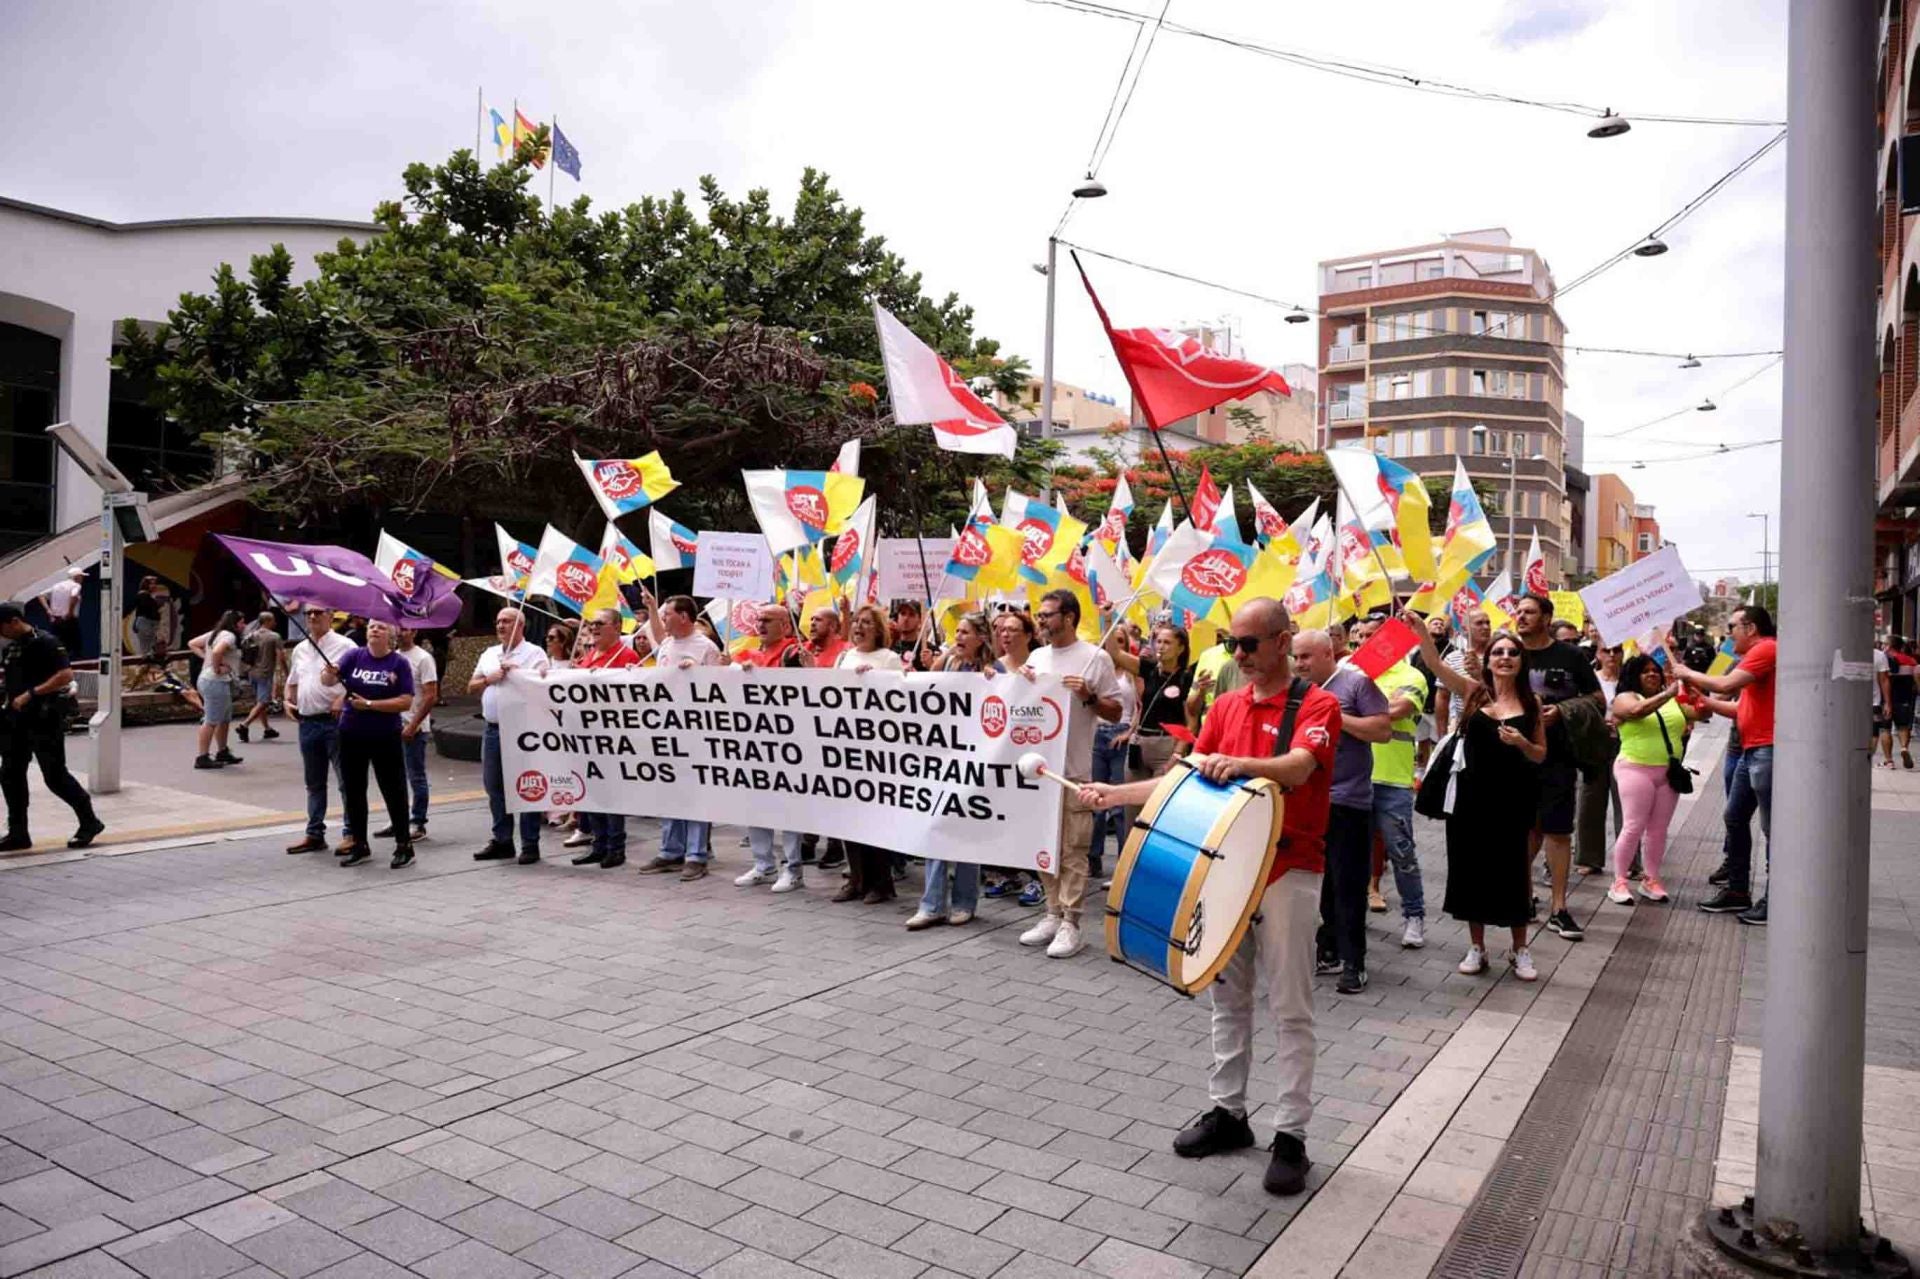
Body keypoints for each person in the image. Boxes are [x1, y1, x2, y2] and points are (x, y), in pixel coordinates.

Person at [1078, 598, 1340, 1197]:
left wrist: (1238, 764)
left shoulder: (1316, 703)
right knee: (1227, 997)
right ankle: (1229, 1112)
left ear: (1283, 641)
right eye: (1231, 644)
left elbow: (1299, 768)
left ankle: (1292, 1136)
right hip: (1225, 872)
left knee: (1291, 1009)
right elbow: (1186, 780)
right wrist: (1113, 796)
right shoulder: (1225, 705)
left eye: (1249, 644)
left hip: (1289, 871)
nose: (1238, 654)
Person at [1415, 621, 1547, 981]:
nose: (1505, 657)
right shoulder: (1473, 692)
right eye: (1498, 652)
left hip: (1512, 800)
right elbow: (1434, 664)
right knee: (1470, 870)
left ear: (1522, 661)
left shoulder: (1531, 703)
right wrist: (1422, 632)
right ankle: (1477, 947)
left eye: (1513, 652)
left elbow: (1540, 754)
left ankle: (1520, 948)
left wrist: (1521, 743)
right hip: (1470, 798)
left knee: (1514, 872)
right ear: (1487, 660)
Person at [1019, 589, 1124, 959]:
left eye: (1047, 615)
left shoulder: (1095, 658)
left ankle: (1071, 922)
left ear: (1069, 617)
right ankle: (1052, 912)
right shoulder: (1036, 656)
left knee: (1073, 848)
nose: (1041, 621)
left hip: (1074, 769)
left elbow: (1116, 712)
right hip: (1039, 770)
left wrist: (1089, 696)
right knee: (1043, 844)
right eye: (1040, 615)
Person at [1291, 628, 1388, 994]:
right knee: (1319, 884)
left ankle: (1354, 962)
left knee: (1348, 884)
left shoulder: (1356, 684)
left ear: (1328, 654)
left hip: (1348, 800)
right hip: (1306, 799)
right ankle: (1327, 948)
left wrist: (1335, 716)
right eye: (1296, 657)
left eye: (1306, 656)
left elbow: (1381, 730)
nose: (1300, 663)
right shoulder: (1296, 690)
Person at [1668, 605, 1776, 924]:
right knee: (1734, 816)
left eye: (1732, 627)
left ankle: (1776, 899)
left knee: (1773, 828)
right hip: (1752, 750)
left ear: (1751, 628)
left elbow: (1727, 686)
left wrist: (1687, 673)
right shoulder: (1756, 655)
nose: (1729, 634)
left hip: (1767, 750)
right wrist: (1703, 700)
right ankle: (1738, 890)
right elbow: (1740, 708)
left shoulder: (1766, 649)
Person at [1511, 593, 1603, 941]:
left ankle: (1559, 908)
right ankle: (1522, 898)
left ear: (1546, 618)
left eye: (1529, 612)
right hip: (1515, 757)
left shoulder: (1570, 655)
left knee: (1558, 832)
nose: (1521, 617)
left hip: (1558, 757)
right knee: (1523, 830)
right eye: (1518, 611)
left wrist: (1561, 712)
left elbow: (1598, 699)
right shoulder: (1508, 652)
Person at [633, 594, 725, 880]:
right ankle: (670, 851)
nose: (663, 620)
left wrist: (698, 676)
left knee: (695, 792)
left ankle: (696, 855)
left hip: (696, 733)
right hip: (666, 729)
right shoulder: (666, 645)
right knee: (669, 790)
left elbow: (720, 689)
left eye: (667, 614)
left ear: (684, 617)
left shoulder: (706, 647)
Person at [910, 612, 993, 929]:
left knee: (966, 832)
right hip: (942, 757)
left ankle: (964, 902)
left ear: (981, 638)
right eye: (956, 631)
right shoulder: (948, 663)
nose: (958, 637)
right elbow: (924, 687)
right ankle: (931, 904)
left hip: (974, 760)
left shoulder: (993, 670)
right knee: (934, 827)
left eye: (965, 632)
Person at [1351, 614, 1429, 950]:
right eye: (1362, 635)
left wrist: (1351, 707)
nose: (1367, 641)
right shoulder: (1349, 671)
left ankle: (1414, 915)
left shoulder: (1412, 675)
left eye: (1375, 634)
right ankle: (1351, 916)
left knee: (1401, 852)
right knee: (1352, 852)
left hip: (1393, 780)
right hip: (1353, 778)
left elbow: (1398, 710)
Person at [0, 603, 102, 851]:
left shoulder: (46, 642)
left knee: (55, 776)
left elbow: (65, 675)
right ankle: (18, 833)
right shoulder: (12, 647)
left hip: (44, 717)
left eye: (1, 627)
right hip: (15, 720)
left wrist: (31, 693)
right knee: (10, 775)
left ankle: (89, 821)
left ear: (14, 621)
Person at [1606, 655, 1708, 906]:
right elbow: (1636, 711)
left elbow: (1700, 713)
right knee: (1633, 826)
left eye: (1655, 670)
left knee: (1658, 829)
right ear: (1634, 675)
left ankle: (1651, 879)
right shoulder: (1625, 698)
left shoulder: (1672, 700)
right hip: (1635, 769)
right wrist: (1668, 693)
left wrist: (1697, 692)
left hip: (1667, 772)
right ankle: (1619, 881)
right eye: (1645, 671)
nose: (1652, 674)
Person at [827, 606, 908, 905]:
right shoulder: (844, 657)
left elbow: (899, 697)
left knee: (874, 819)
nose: (859, 627)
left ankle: (880, 882)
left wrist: (875, 681)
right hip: (846, 744)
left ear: (879, 629)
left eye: (867, 623)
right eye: (857, 622)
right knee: (849, 818)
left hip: (875, 748)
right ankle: (856, 879)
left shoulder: (888, 658)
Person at [320, 620, 415, 867]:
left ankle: (404, 844)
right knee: (353, 790)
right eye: (372, 626)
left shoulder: (398, 663)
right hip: (351, 734)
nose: (374, 630)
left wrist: (371, 705)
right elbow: (328, 681)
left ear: (390, 635)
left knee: (393, 790)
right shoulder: (353, 656)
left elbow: (405, 701)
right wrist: (329, 672)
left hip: (385, 735)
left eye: (381, 627)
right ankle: (360, 844)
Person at [735, 604, 809, 892]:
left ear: (786, 626)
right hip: (752, 740)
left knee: (787, 806)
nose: (760, 624)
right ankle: (763, 864)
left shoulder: (793, 653)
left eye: (768, 620)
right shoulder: (747, 654)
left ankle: (793, 868)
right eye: (758, 619)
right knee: (755, 804)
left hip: (785, 741)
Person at [470, 607, 551, 864]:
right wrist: (489, 678)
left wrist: (517, 675)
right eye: (498, 621)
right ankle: (502, 840)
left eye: (506, 621)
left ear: (521, 625)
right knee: (494, 786)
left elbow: (543, 687)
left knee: (528, 786)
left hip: (523, 731)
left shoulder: (535, 653)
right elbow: (471, 686)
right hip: (493, 729)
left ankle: (530, 844)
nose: (500, 626)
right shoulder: (489, 654)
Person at [569, 607, 640, 869]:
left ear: (617, 627)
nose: (594, 627)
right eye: (591, 623)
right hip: (586, 735)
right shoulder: (589, 656)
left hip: (611, 737)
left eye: (600, 623)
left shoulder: (626, 656)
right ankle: (598, 844)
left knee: (611, 794)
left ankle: (616, 847)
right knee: (592, 793)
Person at [282, 604, 355, 855]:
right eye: (308, 613)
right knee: (314, 782)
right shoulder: (301, 649)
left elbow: (358, 681)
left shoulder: (346, 646)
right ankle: (314, 833)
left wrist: (343, 699)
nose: (312, 616)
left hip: (336, 722)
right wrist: (287, 700)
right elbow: (293, 681)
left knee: (346, 780)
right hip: (307, 722)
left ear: (331, 615)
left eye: (318, 612)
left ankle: (351, 833)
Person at [987, 608, 1046, 908]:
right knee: (1003, 814)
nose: (1005, 635)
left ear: (1028, 635)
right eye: (1001, 630)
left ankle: (1038, 877)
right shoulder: (994, 668)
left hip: (1032, 751)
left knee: (1030, 816)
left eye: (1012, 629)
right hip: (1002, 752)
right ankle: (1007, 872)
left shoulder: (1041, 665)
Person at [1088, 627, 1140, 884]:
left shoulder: (1131, 674)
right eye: (1112, 640)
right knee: (1095, 801)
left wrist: (1129, 732)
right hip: (1097, 734)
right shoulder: (1095, 669)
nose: (1114, 646)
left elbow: (1142, 707)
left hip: (1121, 735)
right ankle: (1093, 859)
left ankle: (1122, 863)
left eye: (1120, 641)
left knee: (1119, 805)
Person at [1574, 644, 1625, 876]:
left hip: (1625, 745)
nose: (1612, 655)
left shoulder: (1629, 680)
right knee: (1590, 802)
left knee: (1626, 804)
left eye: (1617, 650)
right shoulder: (1590, 680)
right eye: (1606, 651)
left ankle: (1630, 862)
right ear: (1598, 653)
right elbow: (1577, 709)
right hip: (1594, 746)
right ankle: (1589, 858)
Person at [386, 627, 437, 844]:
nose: (400, 633)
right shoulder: (392, 657)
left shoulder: (423, 658)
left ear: (414, 632)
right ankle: (398, 820)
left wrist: (414, 723)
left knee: (416, 776)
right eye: (397, 628)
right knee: (393, 777)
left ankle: (418, 822)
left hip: (414, 728)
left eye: (405, 629)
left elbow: (430, 695)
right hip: (391, 726)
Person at [188, 610, 246, 770]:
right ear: (235, 624)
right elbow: (217, 651)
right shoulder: (229, 636)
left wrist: (205, 658)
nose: (244, 625)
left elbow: (192, 643)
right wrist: (216, 668)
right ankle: (202, 756)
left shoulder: (215, 633)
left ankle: (222, 751)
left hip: (210, 679)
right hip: (215, 681)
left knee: (224, 718)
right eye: (242, 622)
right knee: (211, 719)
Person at [235, 612, 283, 745]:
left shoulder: (251, 636)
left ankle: (267, 729)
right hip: (265, 673)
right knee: (264, 702)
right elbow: (281, 657)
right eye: (273, 620)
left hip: (252, 672)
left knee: (259, 702)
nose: (275, 622)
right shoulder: (274, 636)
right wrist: (285, 671)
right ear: (267, 621)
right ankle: (244, 725)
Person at [40, 565, 85, 656]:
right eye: (81, 576)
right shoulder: (76, 586)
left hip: (56, 619)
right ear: (77, 577)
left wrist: (48, 610)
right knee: (75, 645)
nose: (82, 579)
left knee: (58, 645)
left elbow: (41, 595)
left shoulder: (57, 585)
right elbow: (74, 596)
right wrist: (70, 612)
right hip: (69, 619)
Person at [1888, 637, 1917, 768]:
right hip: (1905, 699)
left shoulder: (1886, 660)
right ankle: (1904, 747)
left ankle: (1889, 760)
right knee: (1904, 726)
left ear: (1889, 646)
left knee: (1885, 730)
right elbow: (1917, 678)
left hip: (1887, 699)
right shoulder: (1911, 661)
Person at [129, 577, 164, 659]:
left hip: (148, 624)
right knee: (147, 650)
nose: (154, 586)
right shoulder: (143, 596)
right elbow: (146, 611)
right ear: (146, 585)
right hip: (146, 624)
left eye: (155, 583)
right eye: (152, 584)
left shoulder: (148, 597)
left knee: (150, 649)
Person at [1874, 639, 1894, 766]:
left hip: (1850, 704)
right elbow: (1884, 680)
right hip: (1875, 702)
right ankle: (1888, 759)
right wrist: (1887, 703)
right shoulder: (1879, 655)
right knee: (1876, 733)